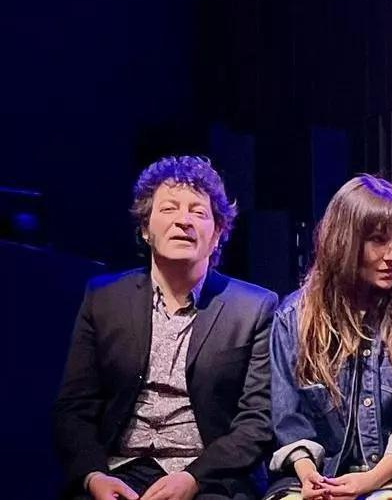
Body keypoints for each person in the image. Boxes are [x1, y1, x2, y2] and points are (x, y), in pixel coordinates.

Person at [53, 156, 278, 500]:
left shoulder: (253, 307)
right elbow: (74, 407)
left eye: (198, 213)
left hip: (209, 478)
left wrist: (193, 479)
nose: (183, 221)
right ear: (146, 229)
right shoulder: (104, 298)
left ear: (217, 234)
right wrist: (92, 476)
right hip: (116, 471)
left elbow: (256, 422)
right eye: (169, 209)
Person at [266, 175, 392, 500]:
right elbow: (289, 418)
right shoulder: (294, 315)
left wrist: (370, 481)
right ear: (344, 241)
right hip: (312, 477)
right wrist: (310, 477)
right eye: (378, 240)